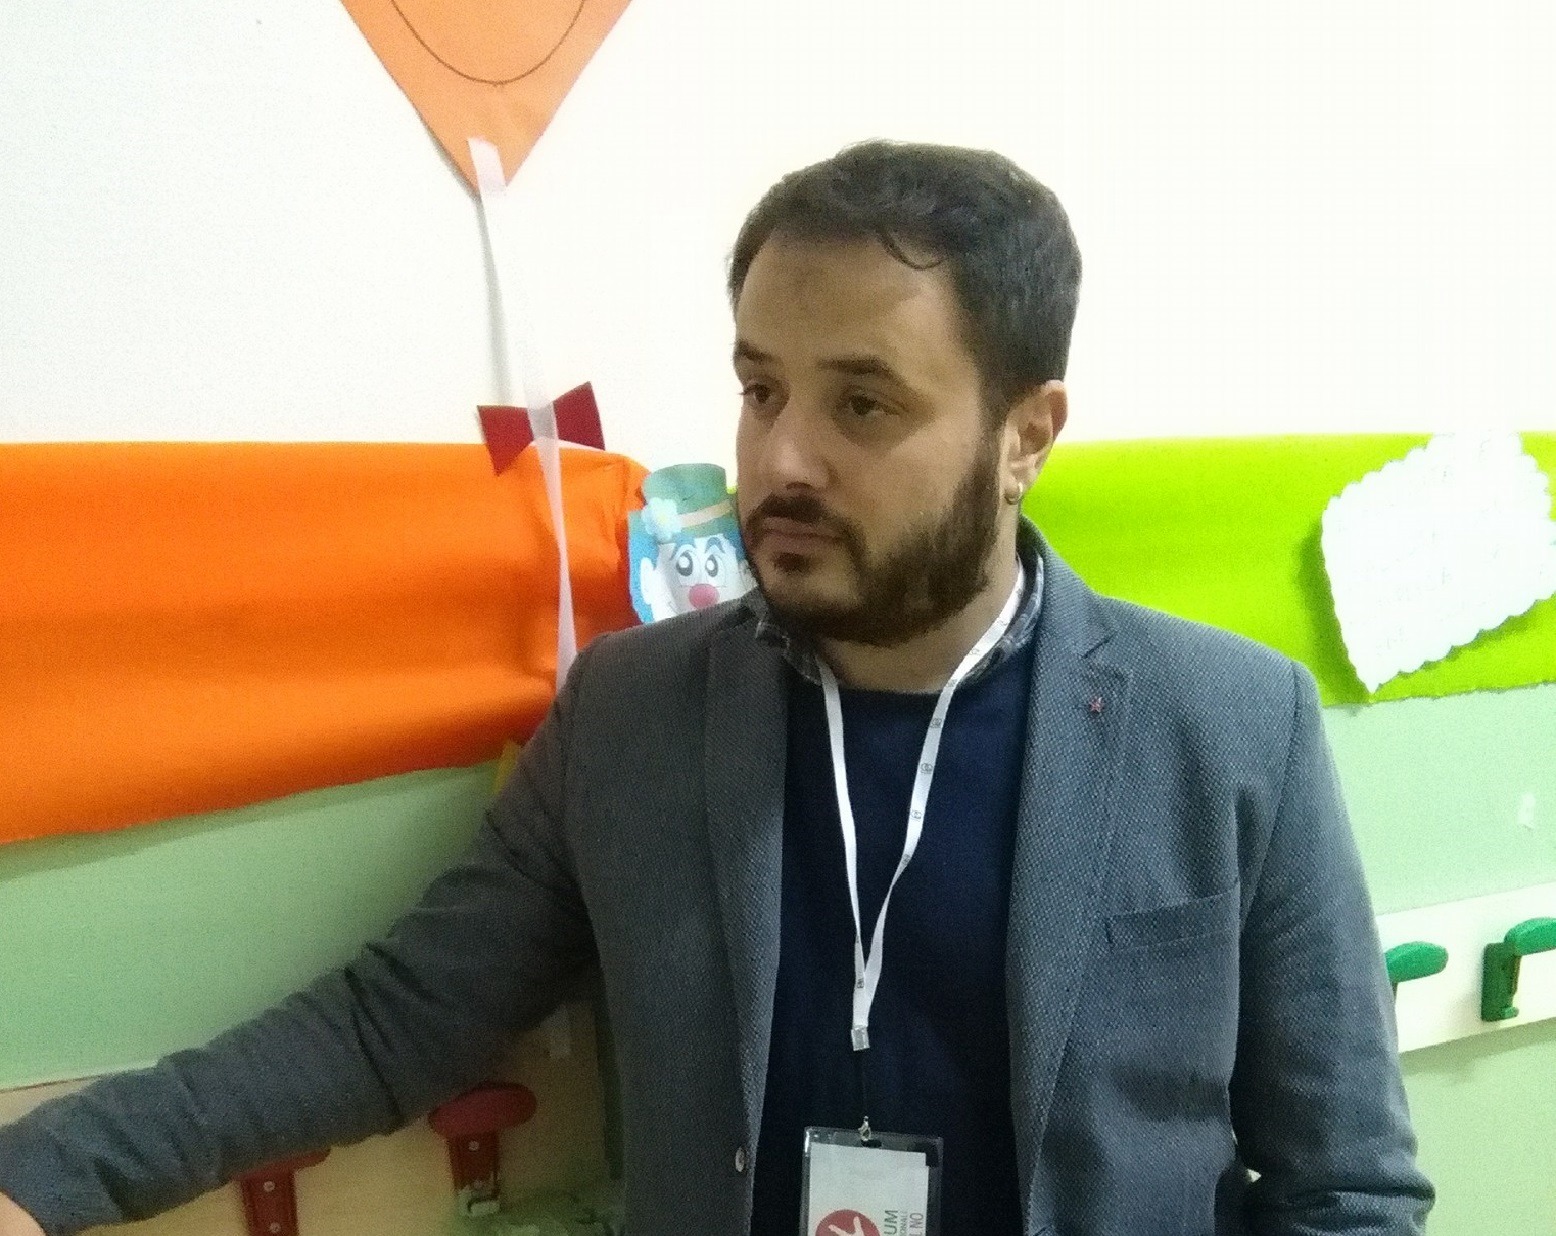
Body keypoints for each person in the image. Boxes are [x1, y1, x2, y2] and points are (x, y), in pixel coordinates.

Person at [0, 141, 1432, 1235]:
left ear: (1025, 434)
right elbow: (395, 1025)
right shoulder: (632, 717)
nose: (782, 459)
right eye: (760, 390)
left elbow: (1347, 1189)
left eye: (862, 403)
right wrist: (44, 1175)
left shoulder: (1229, 729)